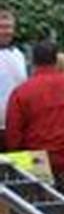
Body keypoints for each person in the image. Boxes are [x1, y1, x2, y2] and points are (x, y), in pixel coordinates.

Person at [5, 41, 64, 200]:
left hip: (35, 160)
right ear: (56, 59)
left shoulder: (21, 92)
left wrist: (21, 158)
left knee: (40, 213)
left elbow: (13, 132)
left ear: (32, 61)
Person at [0, 8, 26, 146]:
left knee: (20, 164)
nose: (7, 31)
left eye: (9, 27)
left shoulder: (19, 55)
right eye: (2, 27)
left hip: (17, 125)